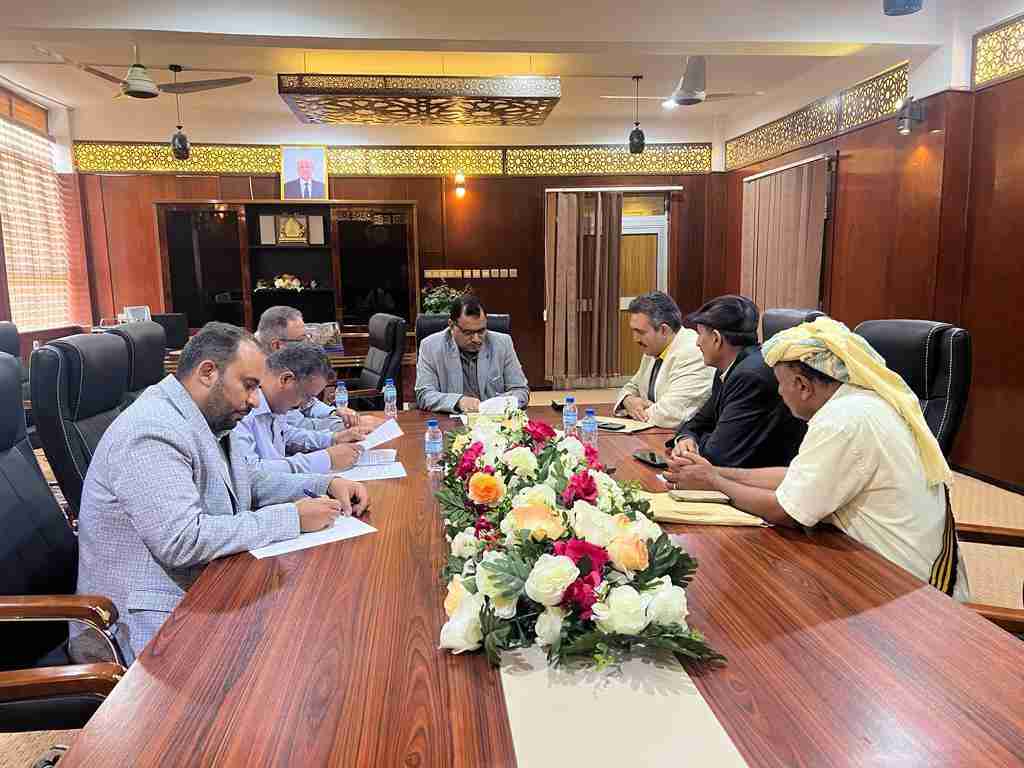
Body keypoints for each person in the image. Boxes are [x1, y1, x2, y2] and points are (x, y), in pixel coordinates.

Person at [73, 323, 369, 662]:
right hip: (148, 623)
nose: (255, 399)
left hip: (205, 588)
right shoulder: (151, 430)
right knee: (300, 654)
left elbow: (246, 480)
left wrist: (323, 484)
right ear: (208, 373)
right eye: (249, 386)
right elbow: (182, 540)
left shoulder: (205, 416)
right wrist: (292, 518)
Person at [667, 317, 969, 601]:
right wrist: (717, 472)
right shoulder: (856, 403)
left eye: (780, 383)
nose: (779, 393)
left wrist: (713, 482)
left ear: (802, 385)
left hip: (909, 590)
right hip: (871, 562)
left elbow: (786, 511)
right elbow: (795, 477)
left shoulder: (843, 420)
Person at [665, 295, 806, 468]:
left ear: (716, 339)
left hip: (763, 479)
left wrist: (695, 444)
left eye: (700, 334)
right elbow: (698, 422)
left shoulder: (750, 376)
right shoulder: (727, 368)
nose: (697, 342)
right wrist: (686, 438)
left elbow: (718, 455)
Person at [235, 343, 371, 474]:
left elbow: (287, 434)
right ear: (286, 379)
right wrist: (325, 460)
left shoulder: (275, 403)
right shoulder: (240, 412)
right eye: (306, 396)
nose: (303, 405)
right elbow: (250, 473)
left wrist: (334, 438)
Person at [255, 305, 369, 434]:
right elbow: (295, 426)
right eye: (300, 340)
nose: (307, 344)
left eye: (307, 337)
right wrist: (344, 426)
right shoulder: (256, 374)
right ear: (277, 345)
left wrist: (333, 412)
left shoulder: (279, 358)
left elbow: (306, 400)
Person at [613, 291, 714, 428]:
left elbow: (671, 414)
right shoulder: (654, 349)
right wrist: (628, 400)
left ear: (664, 330)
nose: (635, 339)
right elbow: (632, 386)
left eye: (640, 332)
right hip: (654, 432)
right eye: (633, 331)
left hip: (682, 437)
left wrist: (636, 411)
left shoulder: (693, 352)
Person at [415, 295, 529, 413]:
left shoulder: (502, 343)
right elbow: (424, 395)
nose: (476, 339)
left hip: (494, 420)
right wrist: (458, 402)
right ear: (451, 325)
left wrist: (502, 403)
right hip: (451, 420)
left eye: (481, 331)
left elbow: (521, 390)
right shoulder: (430, 346)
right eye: (468, 333)